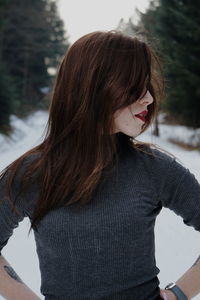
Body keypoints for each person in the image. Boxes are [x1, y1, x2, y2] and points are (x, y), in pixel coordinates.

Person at [0, 30, 199, 300]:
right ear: (98, 88)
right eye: (136, 86)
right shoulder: (31, 174)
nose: (149, 99)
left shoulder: (155, 168)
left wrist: (180, 293)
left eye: (148, 86)